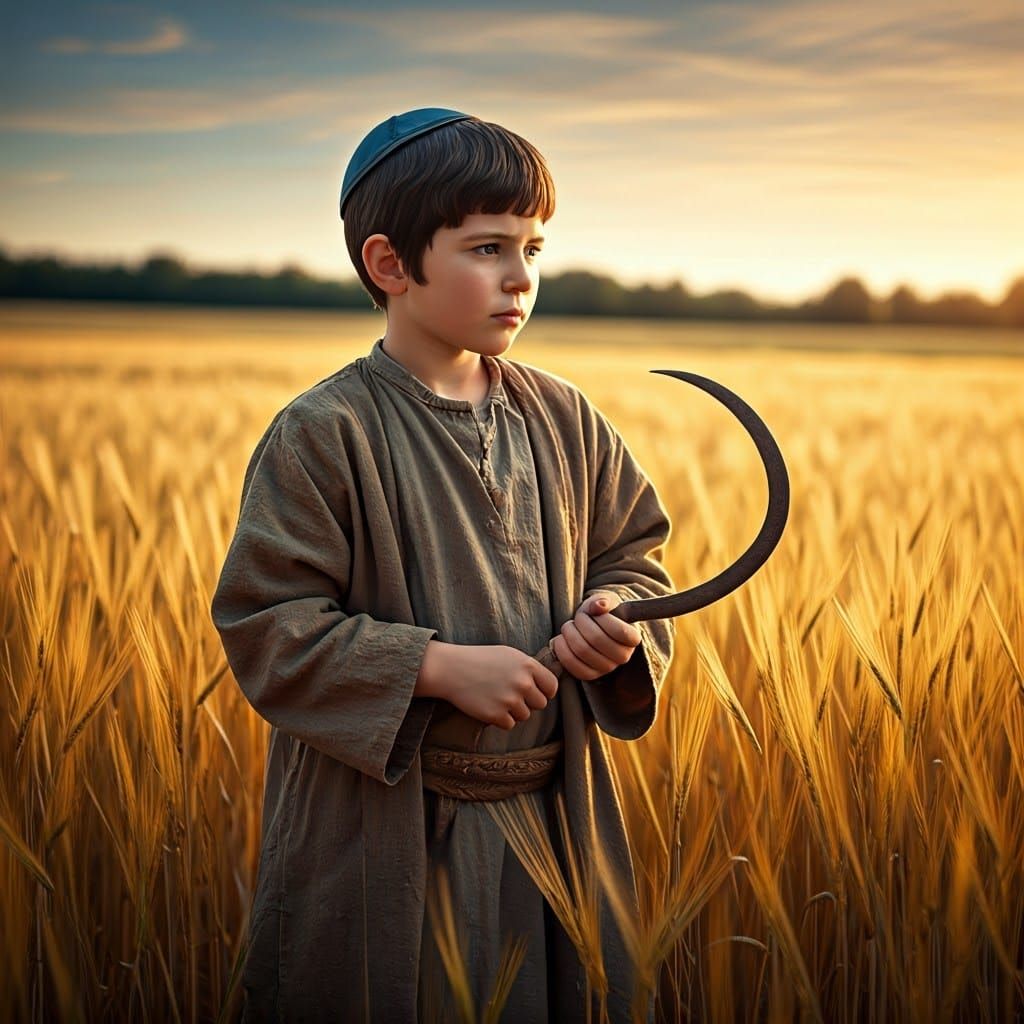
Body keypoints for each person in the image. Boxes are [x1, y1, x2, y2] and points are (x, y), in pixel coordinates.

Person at [211, 107, 675, 1023]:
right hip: (382, 834)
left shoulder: (566, 417)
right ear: (391, 265)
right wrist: (435, 667)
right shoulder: (324, 433)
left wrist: (612, 624)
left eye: (534, 250)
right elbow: (267, 624)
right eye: (486, 248)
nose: (519, 278)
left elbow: (638, 559)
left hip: (554, 823)